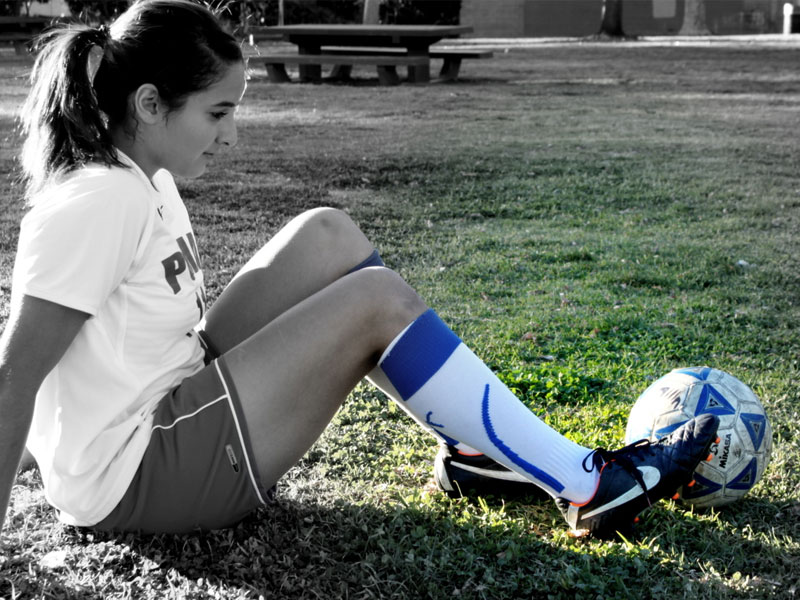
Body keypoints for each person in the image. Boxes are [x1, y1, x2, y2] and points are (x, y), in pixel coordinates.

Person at [0, 0, 719, 541]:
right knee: (376, 301)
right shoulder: (98, 201)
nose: (232, 135)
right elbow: (17, 376)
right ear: (151, 103)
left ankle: (476, 454)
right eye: (217, 113)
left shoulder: (143, 174)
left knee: (327, 234)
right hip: (140, 472)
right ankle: (589, 485)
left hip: (169, 395)